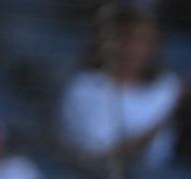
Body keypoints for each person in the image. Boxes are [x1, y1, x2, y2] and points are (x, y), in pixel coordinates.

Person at [58, 5, 183, 168]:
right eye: (126, 38)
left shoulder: (168, 87)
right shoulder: (84, 87)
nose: (133, 49)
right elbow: (98, 156)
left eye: (144, 41)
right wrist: (161, 122)